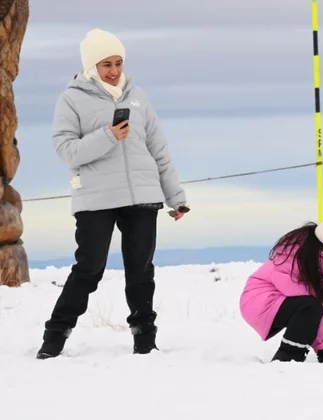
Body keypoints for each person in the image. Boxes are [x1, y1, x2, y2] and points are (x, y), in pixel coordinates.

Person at [36, 28, 189, 360]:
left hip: (142, 197)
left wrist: (175, 196)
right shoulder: (72, 98)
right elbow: (66, 150)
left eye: (119, 62)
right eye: (106, 64)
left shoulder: (138, 96)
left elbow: (159, 150)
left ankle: (145, 340)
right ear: (92, 65)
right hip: (96, 198)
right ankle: (55, 335)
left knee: (140, 270)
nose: (114, 70)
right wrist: (108, 135)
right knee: (89, 269)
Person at [239, 196, 323, 363]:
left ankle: (296, 352)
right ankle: (287, 358)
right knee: (312, 309)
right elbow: (315, 305)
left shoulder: (322, 263)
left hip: (280, 300)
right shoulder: (294, 259)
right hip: (258, 300)